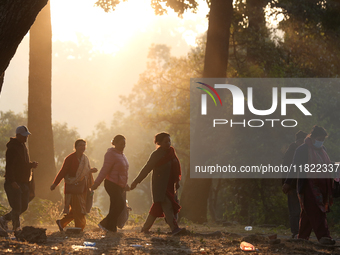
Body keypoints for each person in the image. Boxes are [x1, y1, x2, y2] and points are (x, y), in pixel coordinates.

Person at [282, 126, 335, 245]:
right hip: (308, 186)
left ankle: (302, 237)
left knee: (307, 212)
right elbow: (294, 166)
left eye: (323, 139)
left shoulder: (322, 149)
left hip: (321, 186)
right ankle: (324, 237)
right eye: (320, 138)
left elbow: (326, 164)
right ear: (313, 137)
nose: (321, 141)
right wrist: (287, 182)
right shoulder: (302, 149)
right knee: (317, 210)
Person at [130, 132, 184, 235]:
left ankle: (145, 229)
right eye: (165, 142)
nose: (168, 143)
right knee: (167, 206)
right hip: (160, 186)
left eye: (169, 141)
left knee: (157, 207)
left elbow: (175, 167)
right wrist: (136, 181)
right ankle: (174, 228)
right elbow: (147, 168)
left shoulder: (171, 152)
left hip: (169, 185)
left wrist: (177, 181)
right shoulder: (156, 155)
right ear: (159, 143)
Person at [50, 139, 97, 231]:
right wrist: (55, 184)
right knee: (78, 210)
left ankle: (62, 223)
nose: (82, 147)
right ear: (75, 147)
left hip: (83, 188)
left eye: (84, 145)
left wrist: (90, 172)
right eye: (80, 145)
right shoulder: (70, 158)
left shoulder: (85, 159)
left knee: (79, 209)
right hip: (73, 188)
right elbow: (63, 171)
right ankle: (79, 228)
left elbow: (84, 172)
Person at [0, 126, 38, 231]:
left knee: (24, 206)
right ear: (18, 136)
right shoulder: (12, 148)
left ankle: (3, 219)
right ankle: (17, 228)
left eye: (27, 136)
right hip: (14, 182)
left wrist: (31, 165)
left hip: (23, 181)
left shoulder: (22, 146)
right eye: (24, 136)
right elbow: (10, 167)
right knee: (17, 207)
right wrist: (12, 181)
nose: (26, 138)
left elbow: (22, 164)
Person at [91, 135, 129, 233]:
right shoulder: (111, 154)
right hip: (111, 184)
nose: (123, 146)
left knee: (114, 205)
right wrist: (96, 183)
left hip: (120, 186)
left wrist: (125, 185)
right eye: (120, 144)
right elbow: (104, 170)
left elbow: (123, 172)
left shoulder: (122, 155)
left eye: (124, 144)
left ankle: (111, 228)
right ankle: (105, 223)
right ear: (114, 143)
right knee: (120, 204)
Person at [282, 130, 307, 238]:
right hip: (292, 185)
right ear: (301, 141)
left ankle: (301, 231)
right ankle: (295, 232)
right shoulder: (292, 151)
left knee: (302, 210)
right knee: (295, 210)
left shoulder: (300, 151)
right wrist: (287, 184)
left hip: (302, 184)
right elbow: (287, 169)